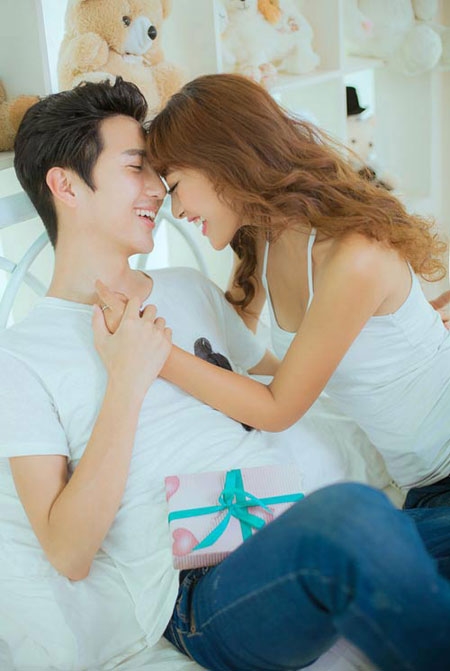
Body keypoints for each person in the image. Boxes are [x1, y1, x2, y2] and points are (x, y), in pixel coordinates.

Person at [1, 77, 450, 671]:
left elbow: (290, 383)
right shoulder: (22, 356)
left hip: (292, 528)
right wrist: (128, 383)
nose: (159, 191)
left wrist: (405, 329)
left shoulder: (189, 289)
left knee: (362, 526)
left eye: (163, 174)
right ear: (65, 185)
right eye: (137, 168)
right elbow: (68, 553)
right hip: (209, 585)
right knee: (354, 516)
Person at [145, 73, 450, 510]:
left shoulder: (352, 257)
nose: (176, 210)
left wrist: (157, 354)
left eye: (174, 186)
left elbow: (276, 408)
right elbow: (235, 344)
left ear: (223, 161)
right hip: (424, 482)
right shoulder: (262, 238)